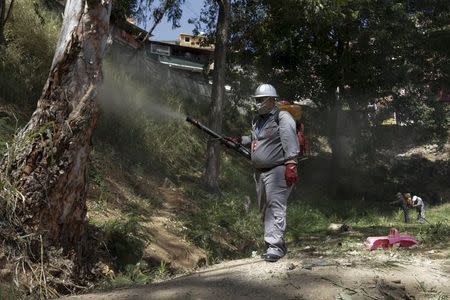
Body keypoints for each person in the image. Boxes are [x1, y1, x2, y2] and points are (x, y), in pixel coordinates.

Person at [227, 84, 300, 262]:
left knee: (275, 207)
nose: (258, 103)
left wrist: (291, 164)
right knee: (264, 209)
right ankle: (275, 245)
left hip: (278, 170)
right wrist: (240, 140)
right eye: (257, 100)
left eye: (261, 100)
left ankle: (275, 247)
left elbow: (289, 140)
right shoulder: (258, 120)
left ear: (271, 99)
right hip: (260, 173)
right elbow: (256, 139)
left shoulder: (282, 117)